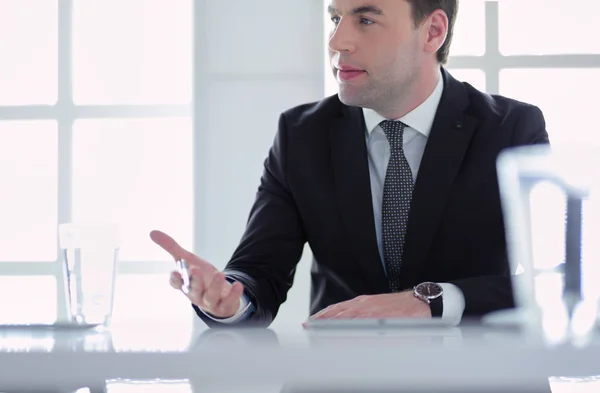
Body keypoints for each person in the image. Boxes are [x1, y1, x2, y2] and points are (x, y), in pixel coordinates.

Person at [150, 0, 550, 328]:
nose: (338, 41)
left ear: (433, 32)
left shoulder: (512, 129)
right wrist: (228, 300)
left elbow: (554, 279)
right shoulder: (301, 134)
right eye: (336, 19)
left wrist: (432, 301)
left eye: (365, 19)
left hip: (478, 377)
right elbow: (259, 272)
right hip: (339, 376)